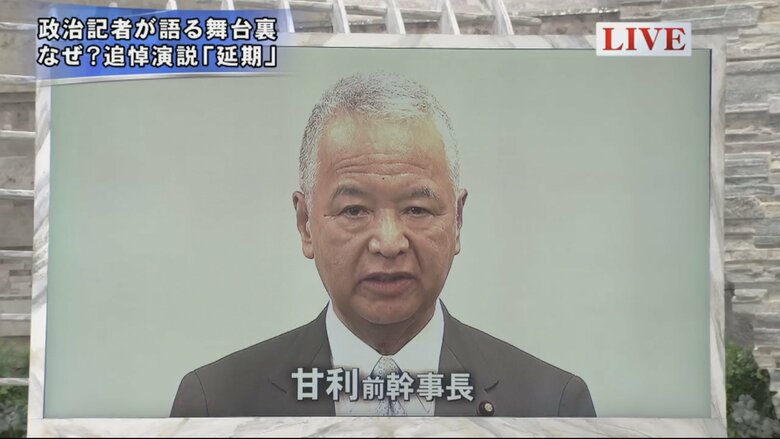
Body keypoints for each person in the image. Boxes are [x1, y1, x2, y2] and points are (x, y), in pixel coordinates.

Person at [170, 72, 596, 418]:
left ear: (458, 220)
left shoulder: (552, 404)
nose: (389, 243)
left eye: (417, 209)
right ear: (305, 224)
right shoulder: (216, 403)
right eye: (354, 210)